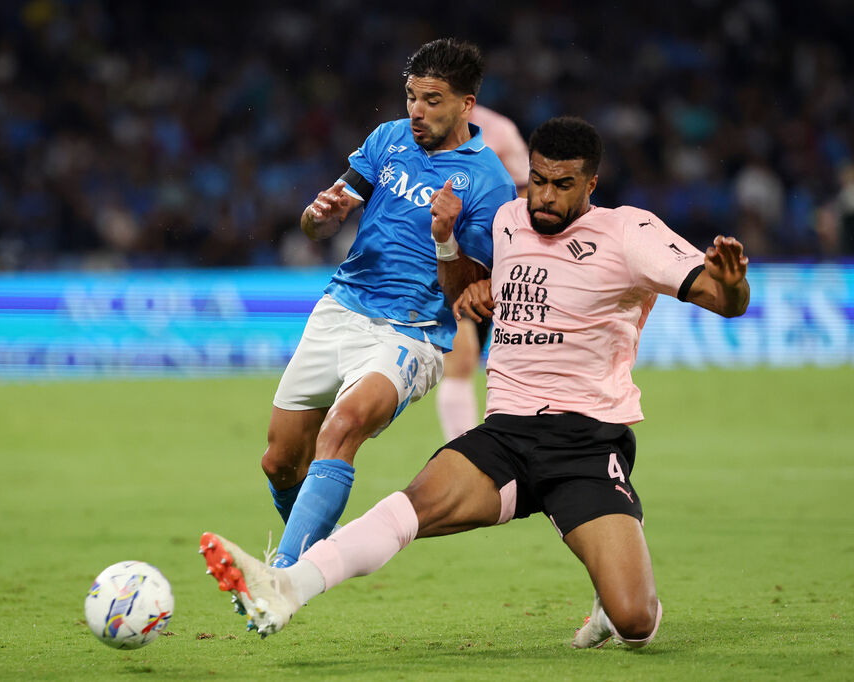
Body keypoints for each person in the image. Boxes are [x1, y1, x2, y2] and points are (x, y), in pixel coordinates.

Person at [200, 116, 749, 648]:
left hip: (585, 441)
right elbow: (467, 283)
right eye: (538, 180)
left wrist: (732, 287)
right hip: (505, 435)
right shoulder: (509, 219)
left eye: (563, 185)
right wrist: (448, 247)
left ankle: (614, 594)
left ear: (591, 185)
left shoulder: (629, 231)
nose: (546, 197)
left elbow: (720, 298)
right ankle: (284, 585)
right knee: (406, 509)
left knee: (634, 620)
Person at [249, 37, 516, 586]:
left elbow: (475, 292)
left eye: (433, 99)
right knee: (278, 462)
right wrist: (319, 216)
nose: (417, 111)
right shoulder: (387, 140)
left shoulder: (490, 182)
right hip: (341, 308)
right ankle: (320, 555)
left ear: (467, 105)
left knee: (342, 427)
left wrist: (446, 240)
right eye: (412, 97)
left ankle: (281, 580)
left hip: (412, 333)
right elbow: (322, 217)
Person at [435, 105, 529, 441]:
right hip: (442, 258)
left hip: (494, 265)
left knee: (484, 361)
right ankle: (461, 451)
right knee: (461, 361)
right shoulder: (420, 128)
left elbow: (526, 195)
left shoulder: (500, 131)